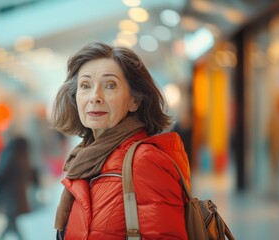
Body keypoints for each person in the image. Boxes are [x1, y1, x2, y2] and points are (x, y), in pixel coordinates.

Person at [51, 42, 191, 239]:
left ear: (135, 100)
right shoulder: (85, 161)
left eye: (110, 85)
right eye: (85, 86)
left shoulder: (144, 162)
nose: (95, 96)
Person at [0, 134, 34, 240]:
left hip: (9, 196)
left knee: (10, 224)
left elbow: (2, 174)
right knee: (11, 224)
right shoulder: (23, 156)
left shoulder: (10, 154)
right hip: (18, 197)